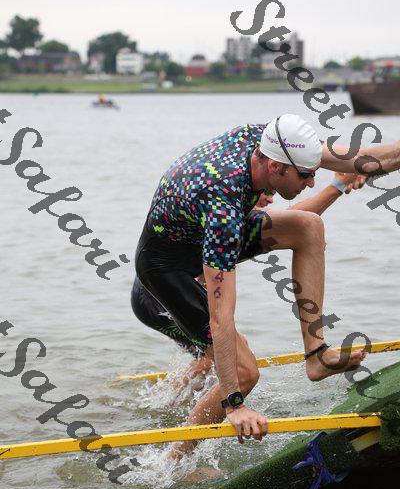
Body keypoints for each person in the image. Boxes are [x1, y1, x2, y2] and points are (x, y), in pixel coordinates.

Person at [134, 114, 400, 459]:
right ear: (275, 167)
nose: (311, 182)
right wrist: (234, 404)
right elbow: (221, 315)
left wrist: (350, 175)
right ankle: (174, 461)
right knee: (243, 373)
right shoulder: (223, 206)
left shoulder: (273, 139)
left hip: (196, 237)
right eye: (305, 176)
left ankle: (317, 355)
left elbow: (367, 158)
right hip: (167, 270)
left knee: (307, 226)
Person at [132, 170, 365, 390]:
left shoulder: (233, 213)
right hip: (154, 300)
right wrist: (337, 186)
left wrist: (338, 185)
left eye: (272, 193)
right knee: (221, 357)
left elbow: (295, 222)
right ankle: (180, 406)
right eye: (267, 192)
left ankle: (175, 401)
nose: (270, 199)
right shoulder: (225, 211)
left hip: (161, 292)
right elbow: (294, 221)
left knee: (219, 357)